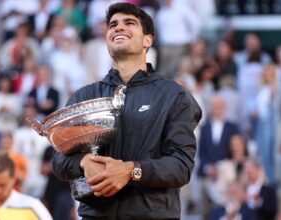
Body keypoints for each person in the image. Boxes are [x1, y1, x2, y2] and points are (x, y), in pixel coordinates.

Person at [52, 3, 202, 219]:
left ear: (148, 40)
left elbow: (181, 166)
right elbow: (59, 160)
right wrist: (83, 162)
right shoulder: (85, 96)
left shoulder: (172, 95)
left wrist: (132, 170)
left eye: (129, 23)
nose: (118, 28)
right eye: (113, 25)